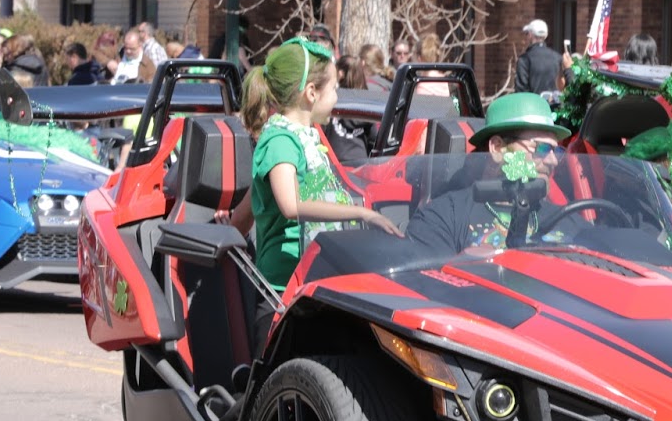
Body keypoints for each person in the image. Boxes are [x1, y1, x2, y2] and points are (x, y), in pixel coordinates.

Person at [244, 38, 399, 291]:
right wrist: (362, 213)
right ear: (312, 92)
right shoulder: (280, 140)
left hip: (313, 273)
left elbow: (250, 203)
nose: (338, 98)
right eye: (335, 89)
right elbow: (291, 206)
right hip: (282, 288)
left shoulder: (307, 135)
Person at [407, 93, 572, 255]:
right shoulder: (443, 217)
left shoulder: (567, 218)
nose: (553, 161)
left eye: (556, 151)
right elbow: (425, 280)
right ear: (497, 148)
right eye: (542, 148)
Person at [326, 55, 374, 166]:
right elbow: (373, 138)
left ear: (341, 73)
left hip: (336, 160)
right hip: (360, 159)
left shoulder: (334, 99)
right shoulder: (369, 102)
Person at [514, 18, 561, 95]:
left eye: (527, 34)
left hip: (533, 106)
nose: (526, 37)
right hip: (555, 105)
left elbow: (521, 91)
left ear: (530, 35)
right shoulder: (558, 58)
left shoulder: (524, 60)